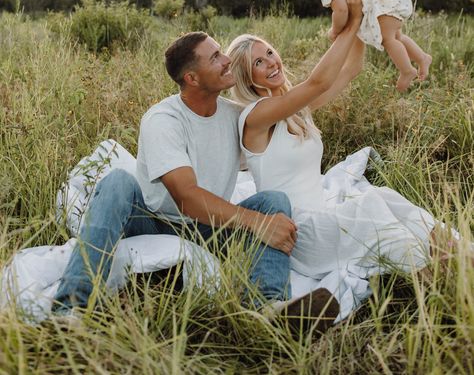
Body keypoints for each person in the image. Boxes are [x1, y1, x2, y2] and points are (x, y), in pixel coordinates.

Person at [51, 30, 353, 335]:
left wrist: (351, 22)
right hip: (155, 220)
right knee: (117, 181)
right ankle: (70, 308)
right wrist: (256, 223)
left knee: (274, 201)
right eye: (216, 58)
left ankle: (266, 310)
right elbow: (186, 196)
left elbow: (306, 98)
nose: (227, 61)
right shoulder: (163, 120)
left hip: (208, 229)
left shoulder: (234, 115)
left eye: (221, 52)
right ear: (193, 78)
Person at [226, 0, 448, 286]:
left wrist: (362, 18)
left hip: (323, 213)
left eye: (270, 53)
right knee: (370, 205)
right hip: (301, 233)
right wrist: (353, 18)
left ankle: (456, 253)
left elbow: (350, 70)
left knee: (384, 196)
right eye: (258, 63)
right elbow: (318, 82)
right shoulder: (256, 116)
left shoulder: (294, 108)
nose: (271, 63)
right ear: (247, 77)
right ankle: (436, 273)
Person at [284, 0, 432, 91]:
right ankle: (422, 58)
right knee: (397, 37)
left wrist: (335, 30)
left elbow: (341, 11)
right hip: (386, 3)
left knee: (388, 39)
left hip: (381, 7)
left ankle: (407, 71)